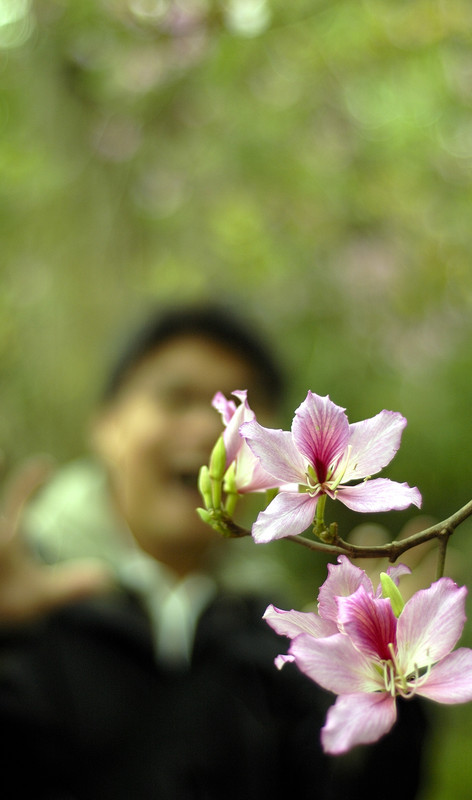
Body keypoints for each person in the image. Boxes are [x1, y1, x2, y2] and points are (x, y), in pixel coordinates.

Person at [0, 304, 430, 799]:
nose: (209, 431)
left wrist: (390, 671)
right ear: (106, 426)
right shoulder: (24, 596)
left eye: (235, 408)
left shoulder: (280, 639)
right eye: (176, 397)